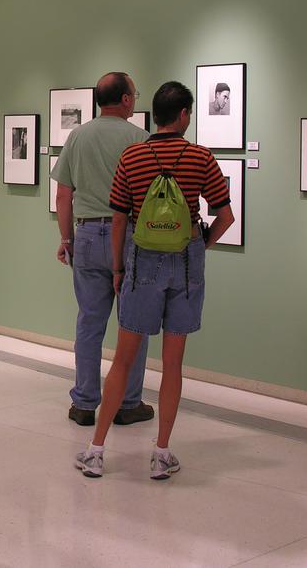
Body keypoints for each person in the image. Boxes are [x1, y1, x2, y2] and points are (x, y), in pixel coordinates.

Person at [74, 81, 234, 480]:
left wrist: (117, 268)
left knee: (123, 359)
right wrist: (199, 246)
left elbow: (119, 219)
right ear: (182, 115)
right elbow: (226, 215)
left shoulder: (133, 155)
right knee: (173, 363)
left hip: (140, 262)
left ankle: (96, 451)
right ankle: (161, 454)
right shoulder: (200, 157)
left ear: (156, 116)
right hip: (185, 264)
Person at [51, 72, 154, 428]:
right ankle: (127, 402)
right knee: (133, 325)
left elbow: (64, 196)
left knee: (89, 322)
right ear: (126, 99)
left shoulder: (77, 136)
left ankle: (83, 403)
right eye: (134, 94)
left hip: (88, 235)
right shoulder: (141, 139)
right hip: (130, 237)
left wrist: (67, 240)